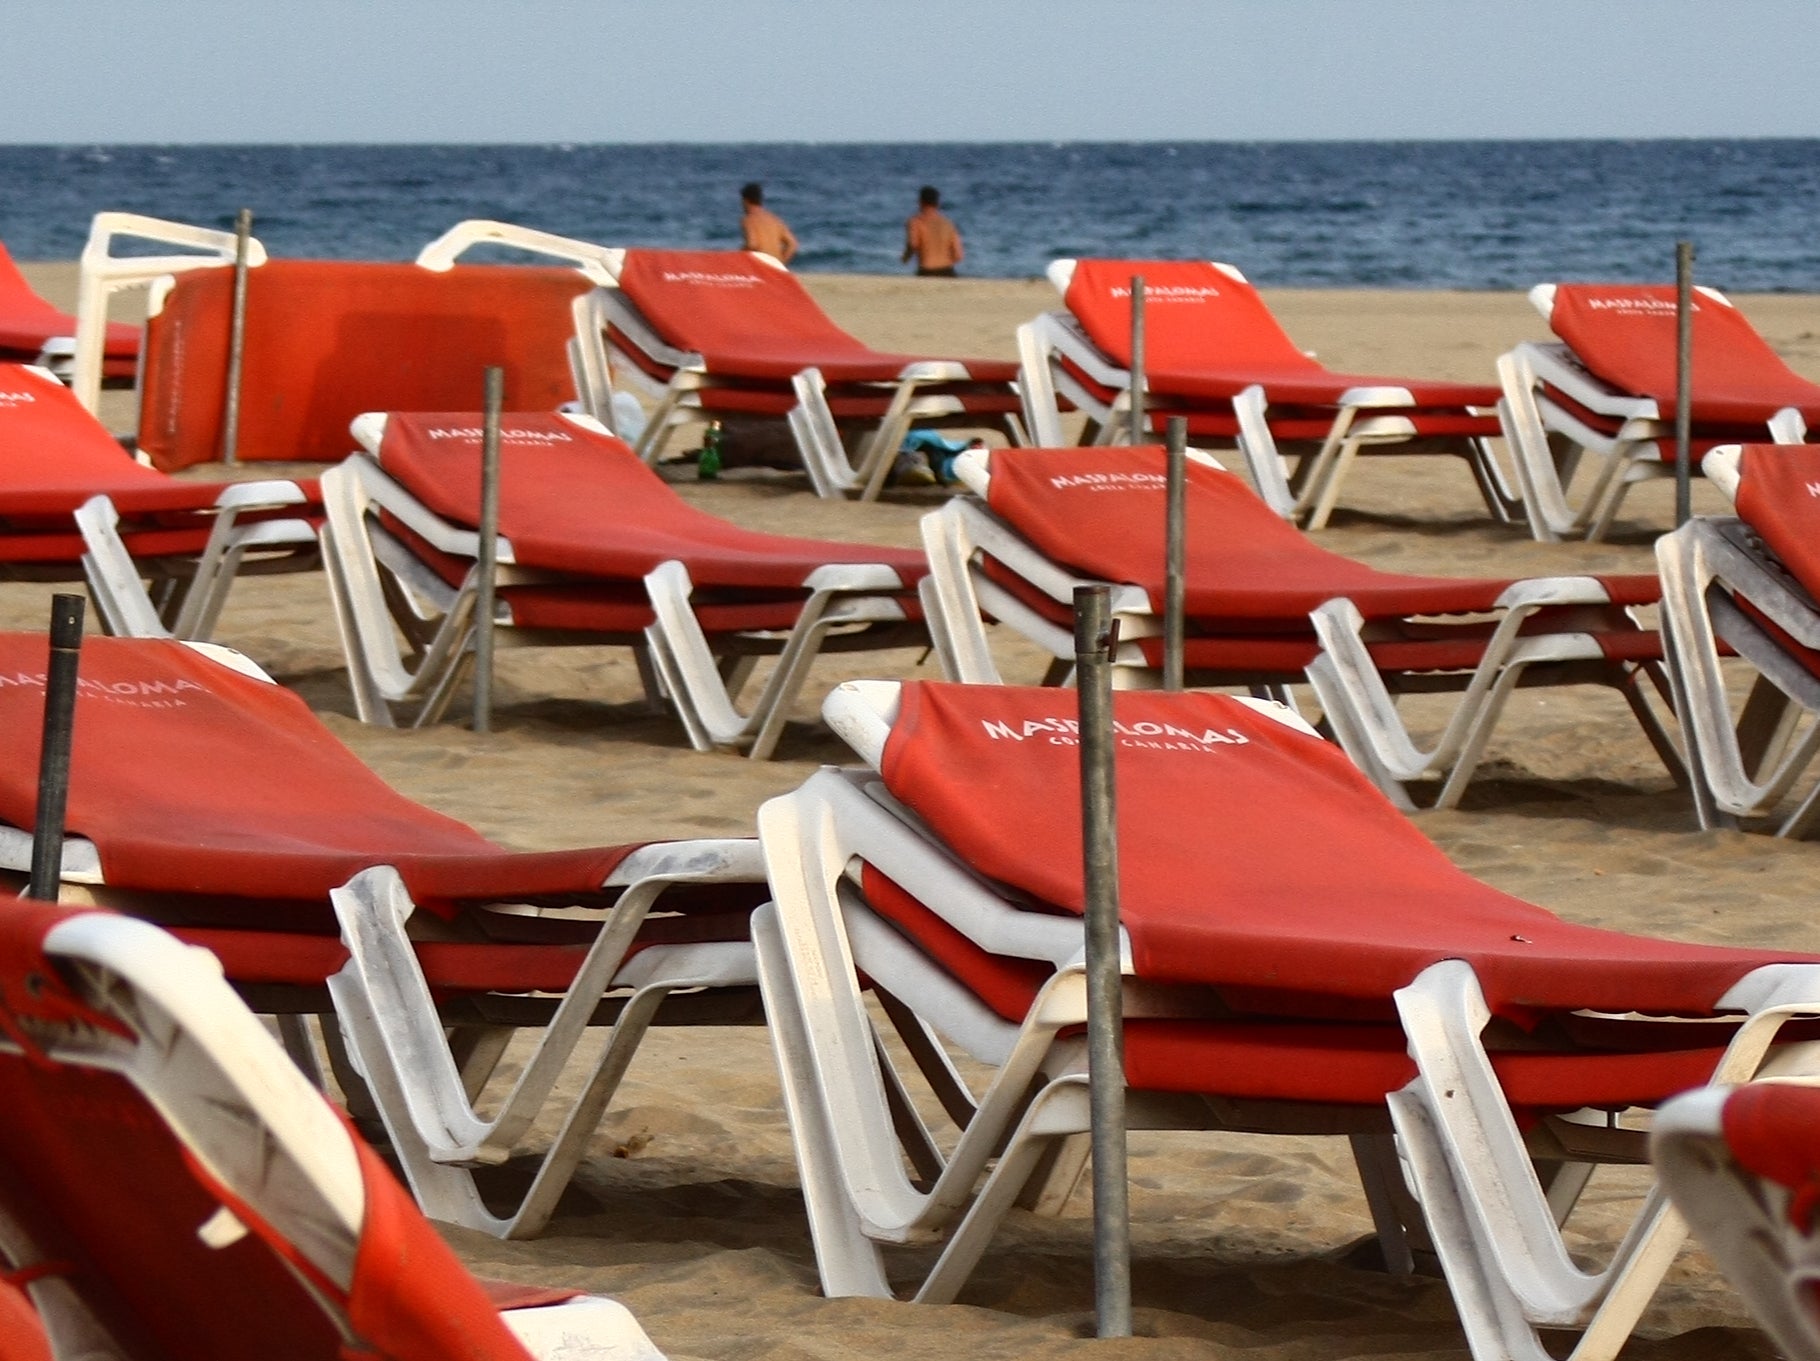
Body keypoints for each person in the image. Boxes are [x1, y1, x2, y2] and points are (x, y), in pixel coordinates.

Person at [902, 185, 963, 277]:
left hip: (926, 271)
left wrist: (905, 258)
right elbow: (959, 255)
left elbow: (913, 244)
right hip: (948, 271)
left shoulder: (915, 222)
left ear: (920, 202)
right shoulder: (948, 224)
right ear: (937, 204)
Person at [739, 182, 797, 264]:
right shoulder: (774, 219)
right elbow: (793, 244)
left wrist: (738, 256)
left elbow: (752, 244)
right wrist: (781, 264)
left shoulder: (749, 219)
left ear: (746, 201)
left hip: (759, 267)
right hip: (774, 267)